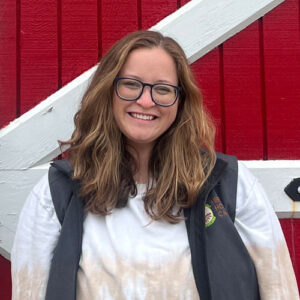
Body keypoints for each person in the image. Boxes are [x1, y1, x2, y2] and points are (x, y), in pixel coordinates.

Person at [11, 30, 299, 299]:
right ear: (107, 92)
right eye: (131, 84)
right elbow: (29, 291)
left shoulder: (230, 184)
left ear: (180, 100)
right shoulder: (57, 193)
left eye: (162, 89)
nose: (146, 101)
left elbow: (280, 290)